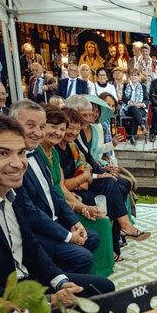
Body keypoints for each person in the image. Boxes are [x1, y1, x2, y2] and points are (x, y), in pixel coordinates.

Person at [0, 114, 115, 301]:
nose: (18, 164)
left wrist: (60, 281)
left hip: (30, 279)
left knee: (103, 289)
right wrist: (47, 300)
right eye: (3, 153)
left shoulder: (13, 189)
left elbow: (31, 246)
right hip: (1, 300)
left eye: (21, 153)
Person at [10, 100, 100, 276]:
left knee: (92, 237)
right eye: (30, 125)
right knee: (84, 257)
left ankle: (66, 278)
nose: (37, 132)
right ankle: (57, 284)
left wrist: (74, 222)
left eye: (41, 126)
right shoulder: (15, 163)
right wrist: (67, 236)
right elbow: (30, 211)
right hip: (36, 233)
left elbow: (53, 192)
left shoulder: (35, 153)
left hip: (55, 219)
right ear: (12, 124)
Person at [65, 95, 151, 245]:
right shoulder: (71, 134)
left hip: (88, 174)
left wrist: (100, 171)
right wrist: (96, 173)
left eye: (91, 113)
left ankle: (117, 234)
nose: (89, 117)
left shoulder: (86, 129)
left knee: (122, 185)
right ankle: (119, 233)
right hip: (77, 185)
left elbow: (89, 158)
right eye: (84, 115)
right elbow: (84, 163)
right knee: (113, 185)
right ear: (71, 113)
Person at [54, 107, 116, 270]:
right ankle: (117, 237)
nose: (73, 132)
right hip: (68, 197)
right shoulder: (53, 151)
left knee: (114, 184)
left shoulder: (72, 146)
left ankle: (118, 235)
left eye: (77, 128)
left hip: (78, 188)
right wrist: (83, 179)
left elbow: (85, 165)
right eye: (69, 128)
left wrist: (88, 177)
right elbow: (64, 186)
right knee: (108, 195)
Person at [121, 68, 149, 145]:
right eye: (132, 75)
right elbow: (124, 98)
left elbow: (147, 100)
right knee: (134, 109)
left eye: (135, 75)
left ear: (138, 76)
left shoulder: (143, 86)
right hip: (129, 108)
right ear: (129, 76)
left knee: (135, 114)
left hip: (141, 109)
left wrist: (141, 104)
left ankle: (132, 136)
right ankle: (142, 126)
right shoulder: (126, 85)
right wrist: (131, 103)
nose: (133, 77)